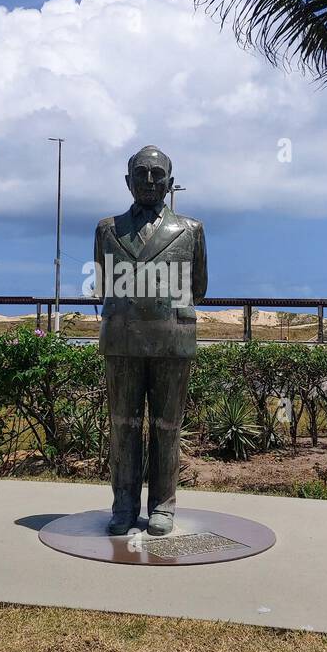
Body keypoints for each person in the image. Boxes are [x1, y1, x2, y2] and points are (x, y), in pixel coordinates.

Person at [94, 144, 207, 536]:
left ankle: (163, 506)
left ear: (170, 183)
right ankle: (123, 506)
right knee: (122, 424)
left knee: (167, 426)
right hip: (122, 340)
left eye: (157, 175)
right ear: (128, 181)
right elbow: (105, 282)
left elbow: (198, 287)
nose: (148, 181)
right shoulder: (107, 229)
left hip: (172, 341)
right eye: (141, 173)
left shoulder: (190, 230)